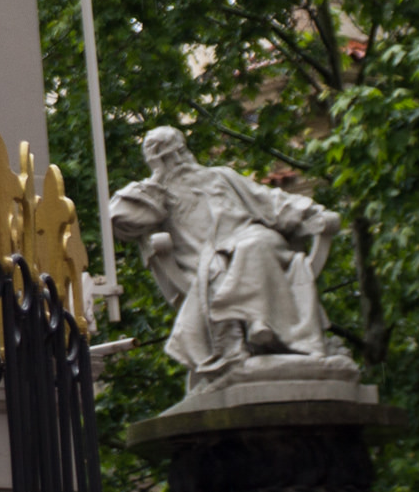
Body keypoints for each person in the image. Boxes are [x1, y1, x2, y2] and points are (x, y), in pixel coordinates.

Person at [109, 127, 346, 389]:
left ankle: (260, 324)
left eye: (179, 151)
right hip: (208, 261)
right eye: (168, 156)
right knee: (238, 256)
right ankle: (257, 326)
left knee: (254, 242)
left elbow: (270, 200)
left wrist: (313, 213)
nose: (178, 159)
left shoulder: (220, 176)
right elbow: (119, 218)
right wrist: (156, 182)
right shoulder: (154, 195)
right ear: (157, 161)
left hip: (255, 239)